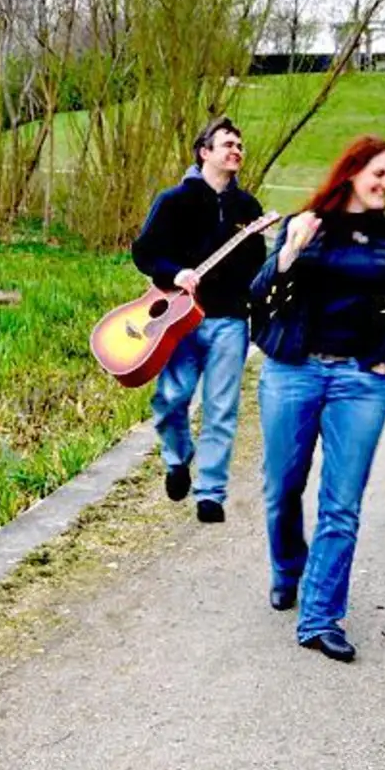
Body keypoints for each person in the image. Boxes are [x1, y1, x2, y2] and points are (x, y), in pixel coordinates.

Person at [249, 135, 385, 663]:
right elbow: (259, 294)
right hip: (293, 372)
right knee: (282, 486)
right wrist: (289, 251)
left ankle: (320, 616)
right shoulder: (305, 225)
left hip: (359, 381)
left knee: (341, 502)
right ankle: (287, 569)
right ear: (351, 172)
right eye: (379, 173)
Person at [130, 117, 266, 524]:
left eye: (240, 144)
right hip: (179, 322)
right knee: (171, 400)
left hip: (230, 322)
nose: (236, 149)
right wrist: (175, 274)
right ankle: (176, 458)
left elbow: (258, 266)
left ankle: (210, 493)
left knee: (221, 408)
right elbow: (145, 253)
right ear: (204, 152)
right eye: (227, 143)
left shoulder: (249, 209)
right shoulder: (174, 201)